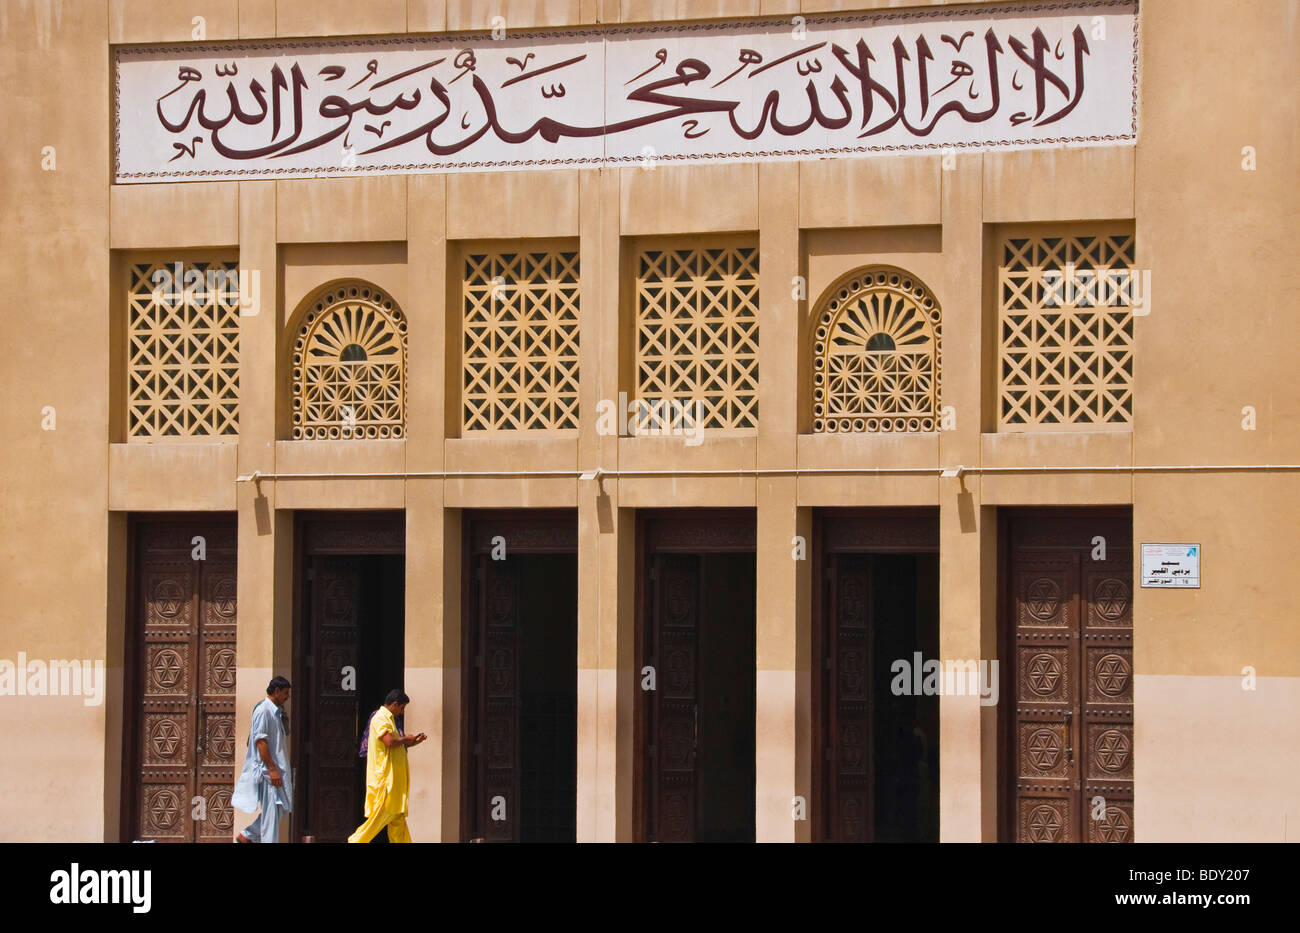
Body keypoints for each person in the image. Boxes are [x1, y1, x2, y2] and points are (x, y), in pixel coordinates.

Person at [348, 688, 427, 843]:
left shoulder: (390, 719)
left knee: (398, 822)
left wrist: (413, 742)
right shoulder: (380, 718)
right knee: (377, 820)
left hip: (396, 784)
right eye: (402, 708)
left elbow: (395, 746)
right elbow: (389, 742)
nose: (402, 712)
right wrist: (405, 739)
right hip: (386, 783)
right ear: (395, 704)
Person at [233, 676, 293, 843]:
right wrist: (272, 770)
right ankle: (249, 836)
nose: (287, 697)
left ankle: (247, 835)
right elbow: (260, 741)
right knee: (271, 815)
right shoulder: (264, 710)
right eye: (285, 693)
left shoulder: (275, 711)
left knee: (279, 809)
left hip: (277, 770)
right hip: (269, 772)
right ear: (276, 691)